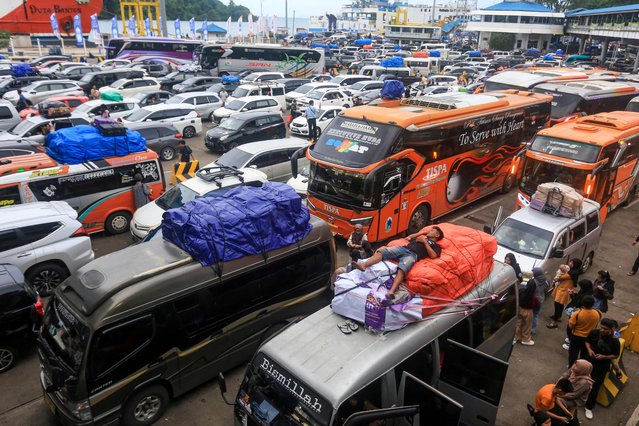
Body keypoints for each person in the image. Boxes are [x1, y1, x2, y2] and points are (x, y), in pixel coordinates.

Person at [351, 226, 444, 301]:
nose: (429, 231)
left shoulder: (436, 246)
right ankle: (363, 265)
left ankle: (391, 291)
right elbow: (409, 237)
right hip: (403, 249)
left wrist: (425, 243)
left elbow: (433, 255)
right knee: (382, 251)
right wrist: (422, 233)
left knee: (402, 269)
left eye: (432, 230)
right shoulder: (421, 238)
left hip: (412, 255)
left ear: (436, 235)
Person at [584, 318, 621, 420]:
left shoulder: (615, 341)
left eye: (605, 329)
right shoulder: (595, 332)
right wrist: (589, 349)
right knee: (581, 379)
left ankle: (589, 407)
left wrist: (604, 357)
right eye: (601, 327)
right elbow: (587, 341)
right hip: (588, 361)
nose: (602, 330)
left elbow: (615, 355)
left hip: (601, 366)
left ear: (611, 330)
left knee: (595, 386)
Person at [566, 294, 601, 367]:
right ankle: (581, 368)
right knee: (584, 355)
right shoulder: (598, 314)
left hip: (576, 337)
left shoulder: (577, 313)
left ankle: (572, 368)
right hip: (589, 338)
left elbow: (570, 326)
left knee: (573, 354)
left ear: (583, 303)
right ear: (593, 304)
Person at [558, 360, 594, 425]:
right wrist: (557, 385)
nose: (574, 366)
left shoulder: (584, 382)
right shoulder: (576, 371)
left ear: (582, 369)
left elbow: (573, 395)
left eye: (577, 366)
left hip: (575, 400)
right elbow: (565, 375)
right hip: (567, 391)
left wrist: (558, 394)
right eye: (575, 363)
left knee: (557, 400)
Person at [547, 264, 576, 329]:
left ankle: (554, 321)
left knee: (557, 304)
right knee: (560, 304)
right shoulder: (571, 273)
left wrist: (563, 269)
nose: (570, 263)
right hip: (562, 290)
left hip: (563, 291)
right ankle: (558, 316)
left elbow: (558, 278)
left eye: (572, 262)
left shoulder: (569, 274)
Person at [514, 278, 537, 346]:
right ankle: (525, 339)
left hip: (519, 309)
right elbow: (536, 304)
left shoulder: (521, 290)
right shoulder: (532, 296)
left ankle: (516, 337)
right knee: (527, 326)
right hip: (528, 311)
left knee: (518, 323)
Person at [531, 267, 551, 335]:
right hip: (540, 300)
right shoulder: (546, 280)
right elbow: (547, 289)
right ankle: (533, 330)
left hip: (533, 300)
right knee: (536, 315)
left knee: (530, 314)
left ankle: (527, 328)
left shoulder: (534, 281)